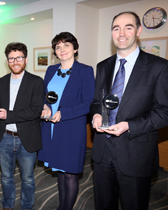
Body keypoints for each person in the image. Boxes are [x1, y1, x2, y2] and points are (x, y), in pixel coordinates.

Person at [91, 11, 168, 210]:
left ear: (139, 30)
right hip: (102, 153)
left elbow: (165, 112)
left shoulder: (159, 67)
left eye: (128, 27)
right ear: (112, 33)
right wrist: (97, 114)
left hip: (135, 153)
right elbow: (95, 102)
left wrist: (129, 126)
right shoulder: (102, 67)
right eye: (116, 28)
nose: (121, 33)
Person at [37, 32, 95, 210]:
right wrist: (45, 106)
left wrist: (63, 113)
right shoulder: (51, 70)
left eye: (66, 45)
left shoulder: (85, 71)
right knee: (59, 171)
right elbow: (45, 96)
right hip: (50, 128)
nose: (62, 50)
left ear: (75, 48)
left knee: (69, 173)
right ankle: (63, 205)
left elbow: (88, 103)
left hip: (71, 128)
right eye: (58, 47)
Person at [0, 42, 44, 210]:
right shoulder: (0, 82)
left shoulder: (36, 82)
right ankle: (7, 205)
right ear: (7, 61)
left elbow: (35, 111)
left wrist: (8, 115)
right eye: (11, 58)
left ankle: (27, 206)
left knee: (27, 178)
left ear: (26, 60)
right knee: (6, 177)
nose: (15, 62)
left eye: (19, 58)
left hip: (26, 138)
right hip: (4, 137)